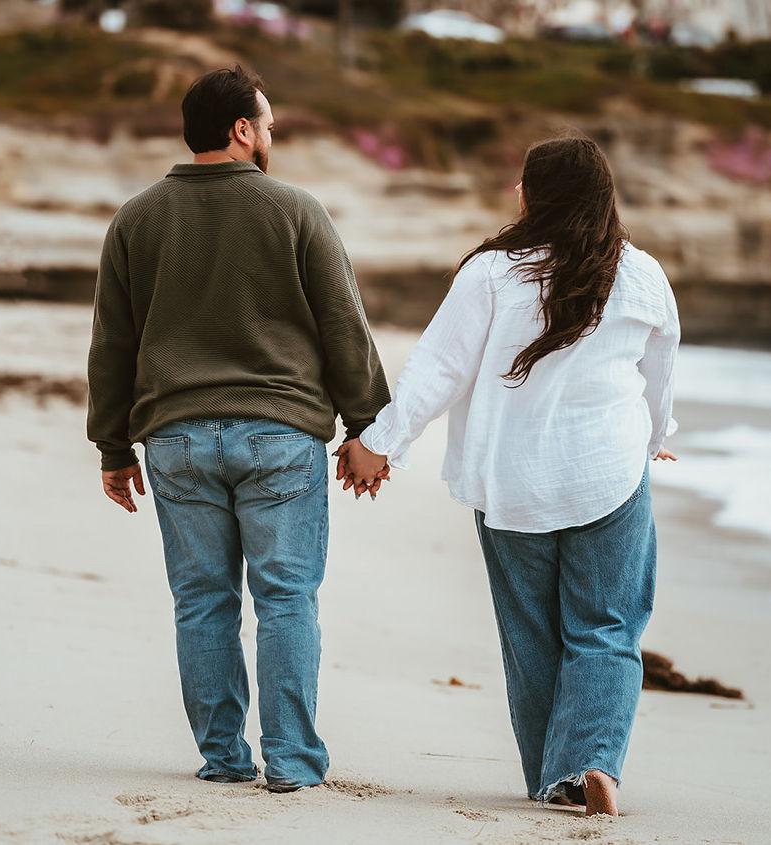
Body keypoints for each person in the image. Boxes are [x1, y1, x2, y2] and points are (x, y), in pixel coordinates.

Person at [337, 136, 680, 816]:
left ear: (531, 196)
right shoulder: (641, 275)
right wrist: (658, 434)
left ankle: (554, 778)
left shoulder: (492, 273)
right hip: (605, 475)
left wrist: (378, 446)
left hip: (512, 481)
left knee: (530, 635)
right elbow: (659, 374)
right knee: (606, 628)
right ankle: (590, 764)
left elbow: (438, 370)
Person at [86, 66, 390, 791]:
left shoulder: (136, 217)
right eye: (269, 124)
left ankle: (223, 756)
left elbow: (113, 343)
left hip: (177, 439)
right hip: (278, 436)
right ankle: (289, 760)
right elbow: (342, 324)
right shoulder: (295, 209)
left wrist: (112, 445)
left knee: (202, 600)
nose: (272, 136)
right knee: (285, 597)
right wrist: (366, 427)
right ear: (241, 129)